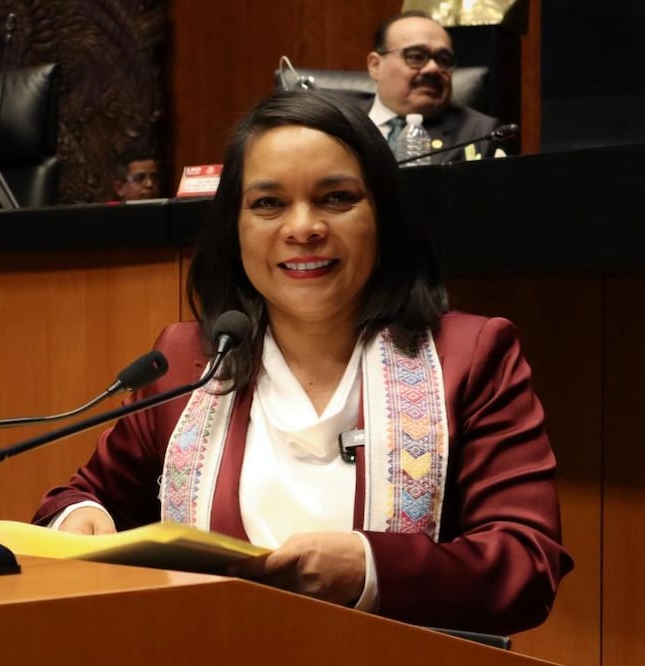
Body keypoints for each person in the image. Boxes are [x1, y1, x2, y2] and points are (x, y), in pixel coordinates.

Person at [34, 89, 572, 635]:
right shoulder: (188, 361)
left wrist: (369, 570)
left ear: (383, 214)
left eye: (336, 198)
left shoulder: (469, 355)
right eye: (268, 204)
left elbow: (526, 564)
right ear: (235, 228)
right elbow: (80, 498)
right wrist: (83, 519)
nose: (302, 228)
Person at [356, 10, 504, 164]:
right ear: (375, 65)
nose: (433, 68)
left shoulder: (479, 133)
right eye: (416, 56)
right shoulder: (338, 118)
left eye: (443, 59)